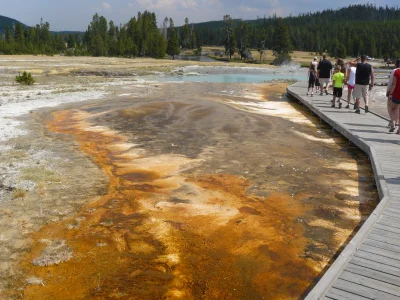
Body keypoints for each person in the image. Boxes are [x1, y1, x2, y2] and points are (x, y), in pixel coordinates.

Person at [387, 59, 400, 132]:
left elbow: (393, 84)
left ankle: (393, 124)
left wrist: (390, 93)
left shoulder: (397, 71)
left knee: (392, 109)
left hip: (396, 94)